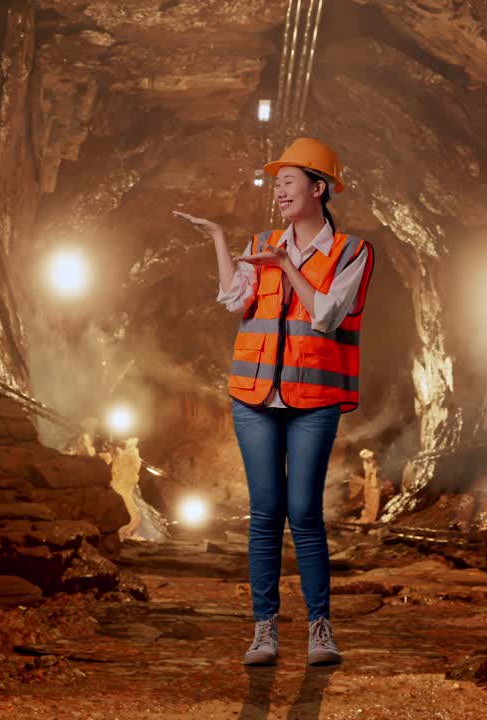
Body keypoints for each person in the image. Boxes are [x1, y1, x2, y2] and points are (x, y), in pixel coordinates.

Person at [174, 137, 374, 667]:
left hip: (314, 398)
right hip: (255, 396)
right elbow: (234, 300)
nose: (279, 190)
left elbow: (327, 314)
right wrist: (219, 239)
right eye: (276, 182)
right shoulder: (262, 241)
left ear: (319, 188)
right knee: (265, 513)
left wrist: (285, 266)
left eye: (289, 181)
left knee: (305, 513)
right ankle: (264, 630)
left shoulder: (352, 252)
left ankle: (319, 630)